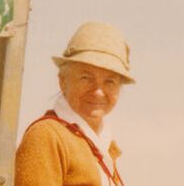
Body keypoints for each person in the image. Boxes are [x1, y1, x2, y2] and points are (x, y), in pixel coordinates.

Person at [15, 22, 134, 186]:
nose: (98, 91)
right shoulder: (47, 136)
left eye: (110, 82)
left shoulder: (103, 144)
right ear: (63, 81)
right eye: (86, 78)